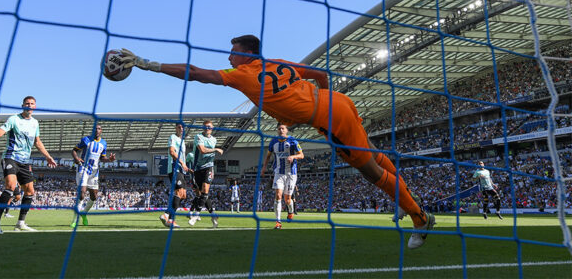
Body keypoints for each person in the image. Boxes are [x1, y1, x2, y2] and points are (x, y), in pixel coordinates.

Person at [120, 34, 434, 248]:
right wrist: (311, 108)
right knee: (375, 156)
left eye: (232, 51)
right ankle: (408, 201)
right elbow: (320, 76)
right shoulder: (278, 63)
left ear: (245, 53)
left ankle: (420, 218)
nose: (229, 56)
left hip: (329, 118)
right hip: (336, 102)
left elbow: (197, 73)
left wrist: (150, 65)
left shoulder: (242, 74)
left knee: (371, 172)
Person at [0, 96, 57, 234]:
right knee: (10, 186)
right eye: (27, 103)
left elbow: (38, 143)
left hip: (25, 162)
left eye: (32, 104)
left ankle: (20, 223)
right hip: (10, 158)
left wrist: (48, 157)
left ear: (35, 106)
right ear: (23, 106)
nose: (29, 105)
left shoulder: (35, 123)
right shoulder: (13, 119)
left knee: (30, 192)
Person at [71, 123, 116, 228]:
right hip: (83, 168)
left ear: (101, 131)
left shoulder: (103, 143)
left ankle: (84, 213)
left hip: (94, 172)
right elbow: (74, 150)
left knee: (94, 196)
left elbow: (102, 158)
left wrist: (109, 160)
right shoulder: (86, 140)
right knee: (82, 193)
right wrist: (76, 158)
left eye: (99, 129)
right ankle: (75, 219)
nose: (97, 130)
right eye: (95, 129)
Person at [261, 123, 304, 228]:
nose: (281, 130)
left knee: (288, 199)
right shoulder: (273, 142)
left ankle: (290, 210)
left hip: (291, 174)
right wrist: (264, 168)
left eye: (283, 128)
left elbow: (302, 155)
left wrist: (293, 156)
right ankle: (278, 222)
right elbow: (268, 156)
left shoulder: (293, 141)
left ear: (286, 130)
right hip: (278, 173)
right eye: (279, 128)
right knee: (278, 196)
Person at [187, 120, 223, 227]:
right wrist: (215, 149)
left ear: (212, 129)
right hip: (198, 169)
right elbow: (202, 150)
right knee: (203, 194)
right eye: (206, 127)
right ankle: (213, 215)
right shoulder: (198, 137)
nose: (208, 129)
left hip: (209, 167)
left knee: (205, 190)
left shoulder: (214, 140)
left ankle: (195, 215)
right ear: (203, 128)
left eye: (210, 127)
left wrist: (214, 150)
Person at [159, 123, 190, 228]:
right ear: (176, 128)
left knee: (183, 194)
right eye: (179, 127)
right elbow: (172, 152)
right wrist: (182, 163)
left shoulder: (183, 141)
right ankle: (168, 216)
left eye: (182, 127)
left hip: (181, 170)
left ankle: (168, 217)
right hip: (174, 167)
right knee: (179, 192)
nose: (181, 128)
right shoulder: (173, 137)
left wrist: (185, 166)